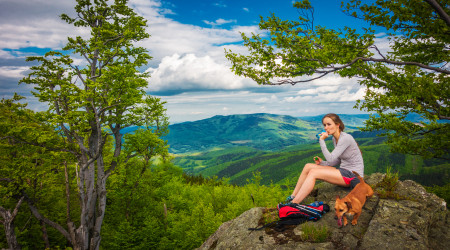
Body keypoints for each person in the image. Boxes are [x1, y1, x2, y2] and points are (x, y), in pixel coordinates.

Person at [285, 113, 364, 205]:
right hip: (344, 171)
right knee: (308, 166)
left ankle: (294, 204)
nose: (326, 128)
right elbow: (337, 160)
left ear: (337, 125)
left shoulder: (345, 138)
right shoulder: (335, 139)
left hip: (353, 176)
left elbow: (331, 159)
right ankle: (293, 196)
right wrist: (322, 163)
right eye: (324, 125)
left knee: (313, 173)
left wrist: (322, 141)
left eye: (329, 124)